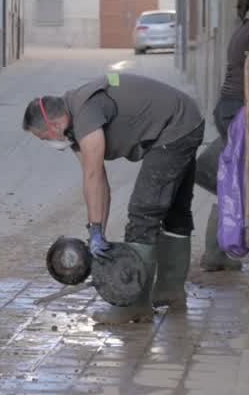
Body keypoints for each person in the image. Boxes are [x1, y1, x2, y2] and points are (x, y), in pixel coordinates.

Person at [22, 72, 204, 324]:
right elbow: (97, 180)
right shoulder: (74, 123)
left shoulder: (85, 114)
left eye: (43, 138)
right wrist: (97, 231)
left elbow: (94, 174)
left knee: (143, 213)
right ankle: (170, 292)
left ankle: (135, 305)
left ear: (53, 126)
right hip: (185, 119)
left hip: (176, 128)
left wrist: (96, 230)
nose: (47, 143)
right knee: (175, 210)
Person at [195, 0, 249, 271]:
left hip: (228, 108)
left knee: (232, 179)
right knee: (235, 181)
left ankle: (217, 254)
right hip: (236, 110)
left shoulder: (244, 28)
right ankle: (217, 253)